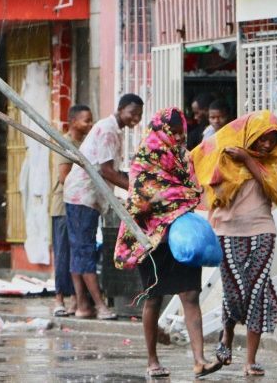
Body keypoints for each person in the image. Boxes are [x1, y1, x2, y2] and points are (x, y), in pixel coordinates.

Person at [191, 110, 277, 377]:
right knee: (234, 292)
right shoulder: (225, 151)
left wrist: (248, 159)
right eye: (262, 138)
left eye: (273, 139)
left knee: (257, 291)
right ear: (250, 134)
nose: (267, 144)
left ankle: (251, 359)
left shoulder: (275, 163)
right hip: (225, 231)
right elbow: (197, 167)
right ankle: (227, 338)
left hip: (262, 231)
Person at [114, 108, 222, 379]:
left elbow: (194, 190)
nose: (176, 137)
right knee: (153, 298)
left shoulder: (183, 157)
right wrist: (164, 200)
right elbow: (138, 200)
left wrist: (176, 199)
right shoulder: (144, 158)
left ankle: (200, 360)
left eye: (179, 132)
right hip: (151, 241)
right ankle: (152, 360)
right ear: (160, 131)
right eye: (171, 132)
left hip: (182, 237)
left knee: (190, 294)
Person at [63, 93, 144, 320]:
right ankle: (99, 306)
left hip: (86, 197)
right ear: (120, 109)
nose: (135, 119)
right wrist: (136, 191)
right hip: (83, 196)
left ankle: (81, 305)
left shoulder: (111, 129)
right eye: (132, 114)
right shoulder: (108, 129)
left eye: (138, 115)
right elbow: (107, 171)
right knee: (84, 251)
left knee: (79, 251)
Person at [50, 104, 93, 317]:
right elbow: (64, 177)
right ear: (73, 122)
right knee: (63, 253)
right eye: (86, 120)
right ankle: (59, 298)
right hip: (63, 206)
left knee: (76, 253)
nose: (90, 124)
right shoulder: (65, 143)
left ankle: (76, 299)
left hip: (79, 203)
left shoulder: (85, 143)